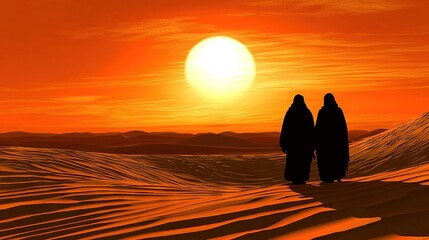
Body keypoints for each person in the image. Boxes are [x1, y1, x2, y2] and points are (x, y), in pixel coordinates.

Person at [279, 94, 315, 184]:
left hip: (294, 146)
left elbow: (285, 129)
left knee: (295, 165)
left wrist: (283, 144)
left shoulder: (290, 112)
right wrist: (312, 146)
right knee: (302, 165)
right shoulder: (307, 113)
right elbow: (312, 131)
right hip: (304, 147)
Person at [315, 93, 350, 183]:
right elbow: (343, 129)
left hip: (325, 146)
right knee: (336, 161)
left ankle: (330, 177)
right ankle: (337, 176)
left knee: (327, 163)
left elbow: (317, 130)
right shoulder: (338, 111)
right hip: (337, 144)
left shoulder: (322, 112)